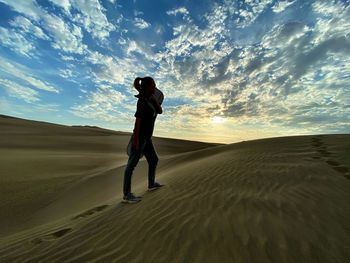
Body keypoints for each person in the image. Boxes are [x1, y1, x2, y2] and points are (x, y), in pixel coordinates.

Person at [122, 76, 164, 203]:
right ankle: (127, 194)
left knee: (154, 159)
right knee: (131, 165)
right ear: (147, 87)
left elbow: (160, 111)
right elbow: (138, 121)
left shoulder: (150, 100)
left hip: (147, 138)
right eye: (153, 85)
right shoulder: (141, 102)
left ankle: (151, 184)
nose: (155, 87)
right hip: (140, 138)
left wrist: (153, 99)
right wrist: (135, 140)